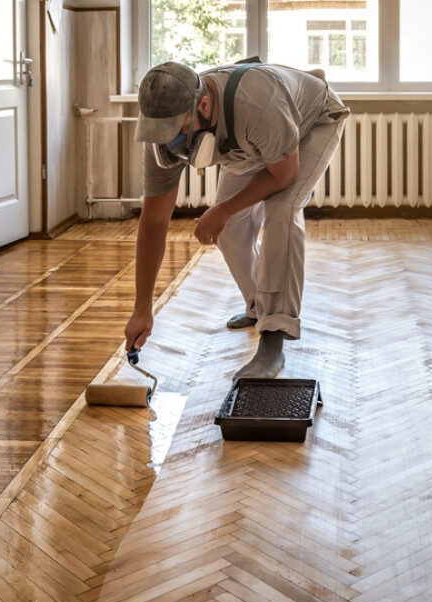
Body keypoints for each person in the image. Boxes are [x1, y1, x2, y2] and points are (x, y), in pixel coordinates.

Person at [124, 60, 349, 378]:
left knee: (282, 211)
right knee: (229, 230)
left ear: (203, 104)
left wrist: (221, 210)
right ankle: (259, 306)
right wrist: (142, 307)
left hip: (312, 121)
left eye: (178, 129)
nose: (171, 142)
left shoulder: (257, 102)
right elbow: (154, 222)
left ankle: (274, 339)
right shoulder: (160, 134)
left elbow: (283, 176)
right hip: (251, 140)